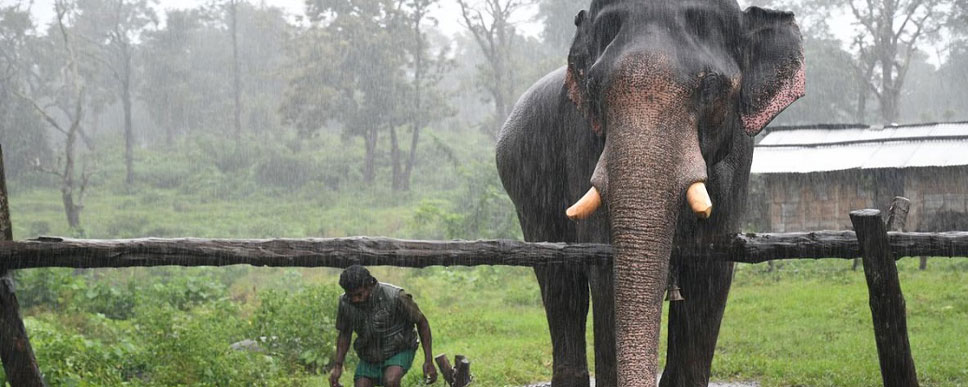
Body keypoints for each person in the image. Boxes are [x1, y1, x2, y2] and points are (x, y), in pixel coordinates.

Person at [329, 265, 437, 387]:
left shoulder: (396, 296)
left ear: (370, 286)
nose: (355, 300)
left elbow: (422, 323)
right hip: (369, 353)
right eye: (350, 296)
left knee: (391, 380)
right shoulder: (345, 303)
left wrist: (428, 360)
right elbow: (344, 334)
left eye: (359, 295)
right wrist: (338, 366)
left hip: (399, 348)